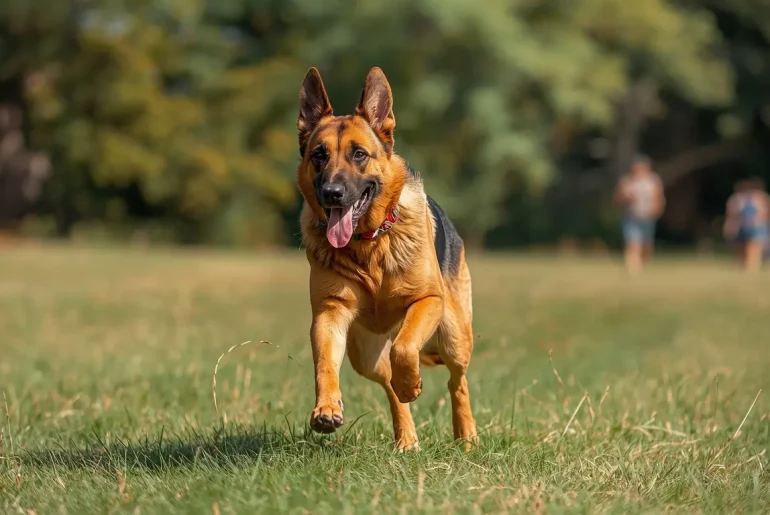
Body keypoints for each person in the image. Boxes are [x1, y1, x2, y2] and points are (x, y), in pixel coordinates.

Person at [613, 154, 666, 275]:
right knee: (633, 243)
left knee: (646, 243)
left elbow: (658, 197)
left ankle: (644, 265)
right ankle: (633, 269)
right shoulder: (626, 181)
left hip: (648, 216)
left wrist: (656, 209)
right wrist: (627, 198)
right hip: (631, 216)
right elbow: (617, 198)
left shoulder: (653, 180)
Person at [723, 177, 770, 273]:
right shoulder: (737, 199)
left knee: (754, 248)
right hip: (742, 227)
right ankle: (745, 267)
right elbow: (731, 214)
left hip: (757, 227)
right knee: (741, 248)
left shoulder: (761, 198)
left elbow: (765, 213)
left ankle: (752, 268)